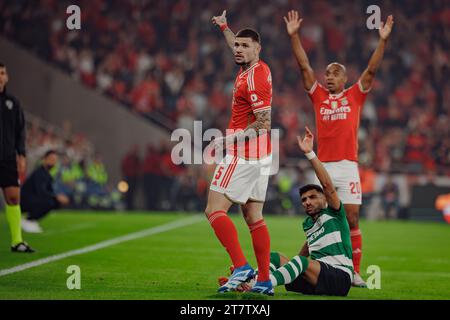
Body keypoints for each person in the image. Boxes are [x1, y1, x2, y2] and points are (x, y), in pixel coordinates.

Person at [284, 10, 394, 286]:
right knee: (320, 218)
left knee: (352, 217)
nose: (329, 77)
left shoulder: (355, 95)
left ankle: (353, 271)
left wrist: (382, 41)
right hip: (324, 165)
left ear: (344, 78)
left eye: (334, 73)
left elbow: (371, 70)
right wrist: (294, 35)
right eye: (327, 73)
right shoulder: (319, 96)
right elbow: (304, 67)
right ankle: (308, 264)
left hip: (347, 165)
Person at [220, 127, 353, 296]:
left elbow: (327, 185)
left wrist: (310, 153)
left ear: (325, 199)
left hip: (339, 277)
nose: (307, 202)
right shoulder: (308, 224)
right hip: (318, 278)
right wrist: (291, 266)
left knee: (301, 262)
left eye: (313, 197)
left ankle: (262, 283)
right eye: (304, 199)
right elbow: (305, 250)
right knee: (275, 257)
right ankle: (250, 279)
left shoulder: (335, 213)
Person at [207, 10, 274, 295]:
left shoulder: (253, 79)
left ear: (258, 49)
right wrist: (225, 28)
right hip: (263, 155)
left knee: (213, 210)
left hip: (243, 151)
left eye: (245, 45)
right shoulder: (254, 67)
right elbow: (237, 46)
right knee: (254, 217)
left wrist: (229, 142)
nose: (238, 48)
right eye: (237, 45)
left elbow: (264, 122)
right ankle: (263, 281)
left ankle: (241, 266)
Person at [0, 62, 35, 252]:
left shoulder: (12, 103)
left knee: (13, 198)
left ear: (7, 77)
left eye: (3, 72)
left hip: (6, 158)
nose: (1, 76)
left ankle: (17, 241)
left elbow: (20, 130)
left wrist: (21, 154)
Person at [21, 150, 70, 233]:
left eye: (55, 160)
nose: (53, 162)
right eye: (51, 159)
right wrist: (56, 197)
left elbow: (49, 191)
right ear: (44, 159)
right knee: (50, 202)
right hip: (25, 201)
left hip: (34, 199)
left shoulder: (47, 175)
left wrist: (58, 196)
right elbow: (41, 192)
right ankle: (29, 220)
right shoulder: (39, 173)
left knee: (55, 202)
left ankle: (32, 219)